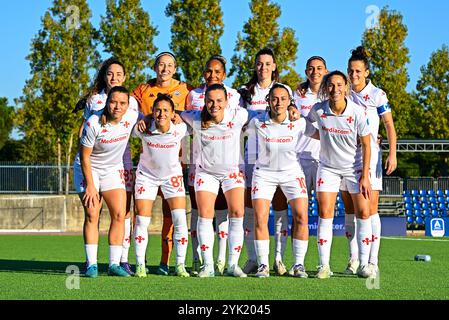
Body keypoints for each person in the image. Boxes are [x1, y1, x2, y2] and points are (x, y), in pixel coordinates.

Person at [73, 57, 138, 276]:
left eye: (122, 104)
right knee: (92, 213)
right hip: (89, 167)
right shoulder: (93, 122)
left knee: (120, 214)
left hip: (113, 169)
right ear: (106, 102)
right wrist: (91, 186)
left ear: (128, 105)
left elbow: (149, 122)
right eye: (113, 103)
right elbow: (84, 156)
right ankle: (91, 264)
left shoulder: (132, 113)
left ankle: (113, 265)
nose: (117, 107)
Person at [305, 70, 372, 279]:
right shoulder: (319, 109)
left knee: (363, 213)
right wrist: (322, 136)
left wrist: (365, 175)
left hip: (355, 169)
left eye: (339, 85)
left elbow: (367, 145)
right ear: (326, 88)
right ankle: (323, 266)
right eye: (331, 85)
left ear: (346, 87)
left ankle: (363, 265)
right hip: (328, 168)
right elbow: (306, 126)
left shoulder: (357, 112)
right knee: (325, 213)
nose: (335, 89)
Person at [132, 52, 192, 276]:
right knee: (142, 220)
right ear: (155, 67)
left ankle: (176, 264)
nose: (165, 69)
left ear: (175, 68)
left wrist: (180, 116)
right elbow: (127, 114)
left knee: (176, 219)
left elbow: (197, 116)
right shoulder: (142, 92)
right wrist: (141, 120)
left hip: (173, 174)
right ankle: (139, 263)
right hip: (146, 174)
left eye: (169, 65)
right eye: (161, 65)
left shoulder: (186, 90)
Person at [181, 83, 247, 278]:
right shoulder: (194, 118)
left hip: (232, 172)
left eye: (219, 100)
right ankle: (208, 265)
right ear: (205, 101)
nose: (214, 105)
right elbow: (176, 114)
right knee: (205, 214)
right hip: (206, 173)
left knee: (237, 212)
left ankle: (232, 265)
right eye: (210, 101)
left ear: (227, 101)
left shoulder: (239, 115)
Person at [342, 46, 397, 277]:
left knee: (369, 210)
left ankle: (372, 261)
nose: (353, 76)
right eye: (350, 71)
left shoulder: (378, 95)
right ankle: (354, 259)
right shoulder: (344, 93)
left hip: (370, 157)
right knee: (350, 210)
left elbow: (389, 126)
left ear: (366, 73)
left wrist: (392, 153)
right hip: (345, 157)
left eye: (357, 72)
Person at [246, 83, 310, 278]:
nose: (278, 102)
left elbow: (322, 134)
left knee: (301, 216)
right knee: (261, 218)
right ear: (268, 101)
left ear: (290, 101)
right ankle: (263, 265)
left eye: (283, 98)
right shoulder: (256, 121)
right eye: (274, 98)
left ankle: (298, 264)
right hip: (264, 174)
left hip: (292, 173)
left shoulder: (299, 122)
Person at [238, 48, 293, 276]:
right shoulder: (245, 92)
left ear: (274, 66)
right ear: (255, 66)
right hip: (252, 156)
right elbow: (238, 124)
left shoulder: (285, 90)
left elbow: (293, 118)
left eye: (268, 63)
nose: (263, 68)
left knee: (280, 207)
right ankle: (253, 258)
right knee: (251, 209)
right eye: (259, 63)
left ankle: (278, 258)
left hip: (279, 156)